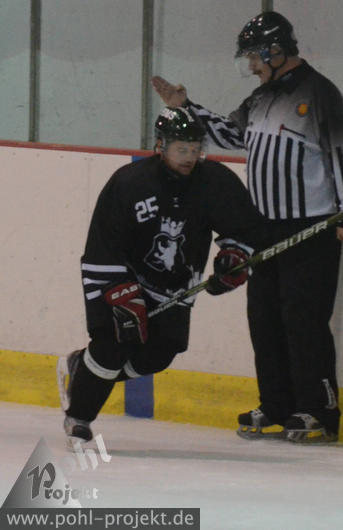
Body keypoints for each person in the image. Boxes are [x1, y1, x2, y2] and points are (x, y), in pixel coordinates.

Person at [151, 11, 343, 443]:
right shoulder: (261, 97)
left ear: (276, 50)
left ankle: (317, 410)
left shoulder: (319, 92)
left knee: (303, 320)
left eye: (254, 56)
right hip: (264, 227)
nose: (251, 66)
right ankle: (277, 404)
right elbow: (232, 135)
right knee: (264, 318)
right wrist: (185, 108)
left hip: (310, 227)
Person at [58, 107, 268, 447]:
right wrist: (119, 292)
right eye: (181, 149)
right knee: (112, 348)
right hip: (121, 280)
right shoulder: (130, 183)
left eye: (195, 149)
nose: (189, 157)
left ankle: (83, 368)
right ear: (161, 146)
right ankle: (79, 417)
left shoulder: (215, 182)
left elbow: (243, 230)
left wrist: (234, 258)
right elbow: (102, 244)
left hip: (174, 285)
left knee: (160, 353)